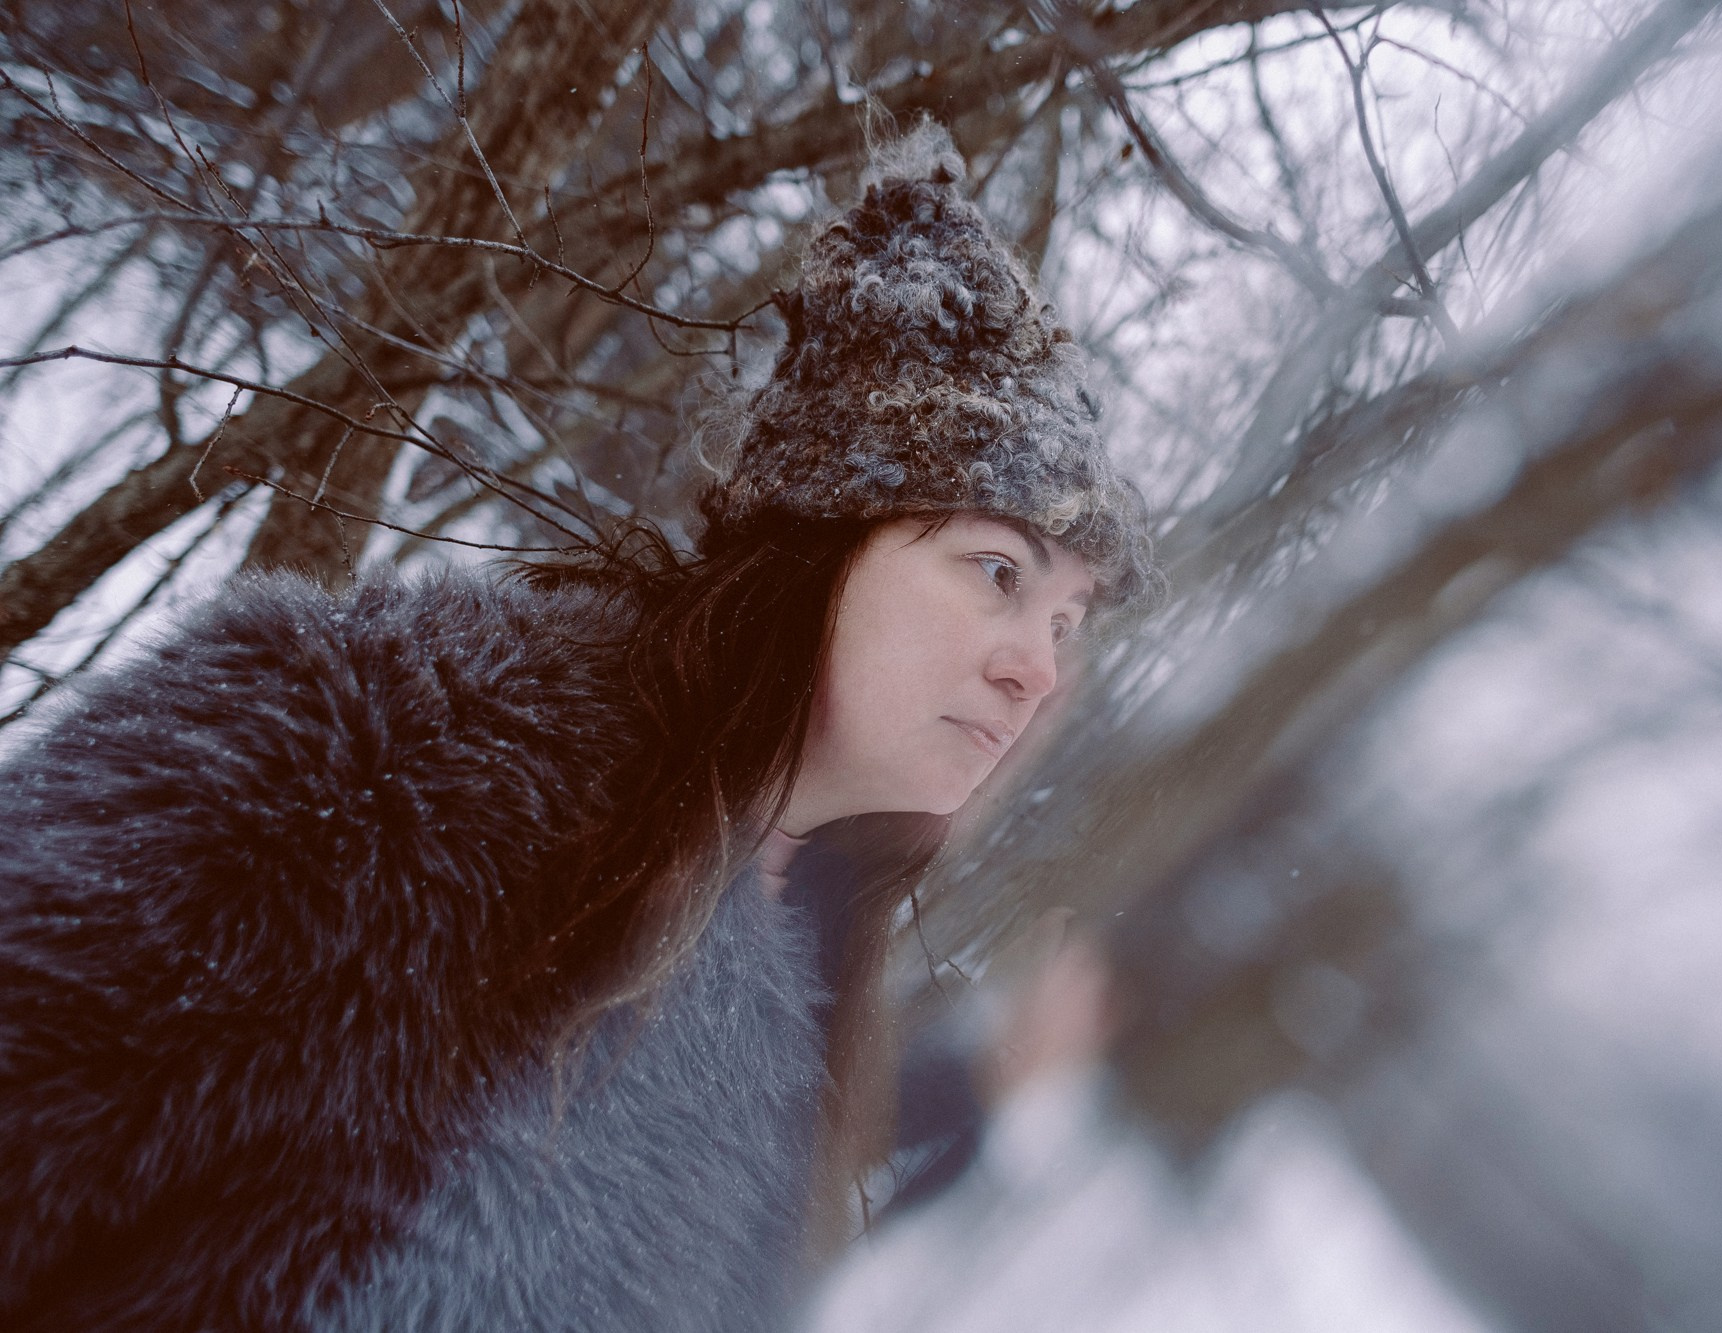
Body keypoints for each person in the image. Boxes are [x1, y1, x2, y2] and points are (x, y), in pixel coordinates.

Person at [0, 121, 1161, 1333]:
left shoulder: (786, 1017)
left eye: (1070, 621)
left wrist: (981, 1092)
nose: (1037, 666)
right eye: (995, 572)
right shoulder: (378, 750)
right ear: (828, 536)